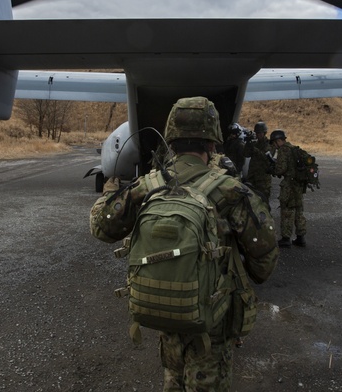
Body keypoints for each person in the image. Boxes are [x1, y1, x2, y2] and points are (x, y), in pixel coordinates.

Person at [89, 97, 279, 391]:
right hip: (213, 320)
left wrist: (110, 189)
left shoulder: (148, 186)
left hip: (166, 315)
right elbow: (264, 264)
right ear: (213, 144)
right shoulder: (233, 192)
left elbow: (101, 227)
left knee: (173, 380)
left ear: (171, 141)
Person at [270, 129, 307, 248]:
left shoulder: (283, 150)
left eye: (274, 143)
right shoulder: (294, 148)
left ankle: (286, 238)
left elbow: (281, 169)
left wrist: (273, 169)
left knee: (287, 211)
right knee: (299, 211)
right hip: (298, 185)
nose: (274, 146)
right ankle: (301, 238)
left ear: (278, 141)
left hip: (289, 186)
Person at [243, 121, 273, 202]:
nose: (258, 135)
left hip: (263, 179)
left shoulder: (269, 144)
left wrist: (254, 149)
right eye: (257, 133)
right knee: (250, 201)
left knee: (263, 202)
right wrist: (248, 144)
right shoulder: (255, 143)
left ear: (264, 133)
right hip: (252, 176)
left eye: (260, 133)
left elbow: (265, 157)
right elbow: (246, 154)